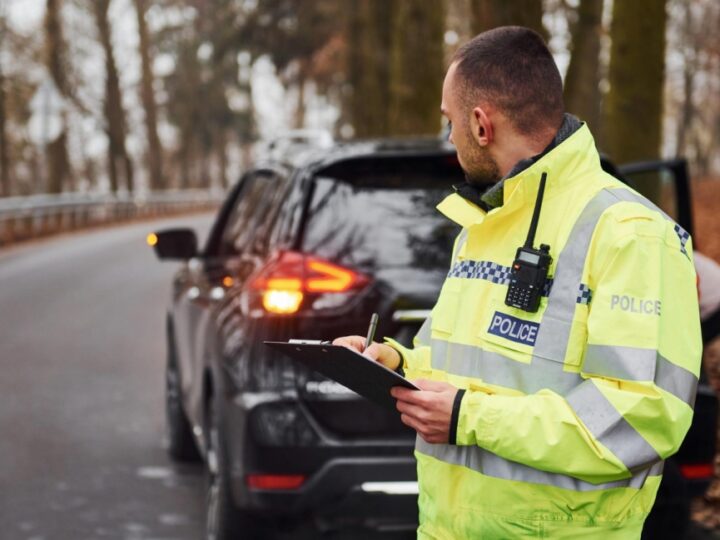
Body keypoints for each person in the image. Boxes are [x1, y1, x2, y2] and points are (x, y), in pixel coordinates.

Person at [334, 26, 701, 538]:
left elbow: (641, 419)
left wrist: (467, 417)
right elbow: (465, 366)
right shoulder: (484, 224)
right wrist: (394, 361)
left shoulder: (633, 235)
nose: (450, 138)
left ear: (481, 124)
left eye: (450, 122)